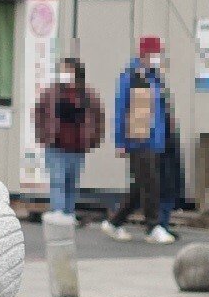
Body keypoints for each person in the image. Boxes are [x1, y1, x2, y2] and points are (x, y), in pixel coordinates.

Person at [111, 36, 174, 239]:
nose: (158, 57)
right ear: (145, 54)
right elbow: (121, 109)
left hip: (155, 138)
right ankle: (153, 226)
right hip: (138, 138)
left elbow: (161, 109)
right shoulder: (131, 76)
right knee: (151, 183)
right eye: (156, 53)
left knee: (141, 185)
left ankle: (114, 222)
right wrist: (120, 141)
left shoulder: (155, 77)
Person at [32, 52, 103, 220]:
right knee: (57, 179)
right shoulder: (51, 92)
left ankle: (68, 212)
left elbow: (98, 117)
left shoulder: (87, 94)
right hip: (55, 144)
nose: (65, 73)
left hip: (77, 146)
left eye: (68, 70)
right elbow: (38, 113)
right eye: (63, 70)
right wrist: (42, 134)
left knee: (71, 181)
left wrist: (94, 138)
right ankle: (58, 210)